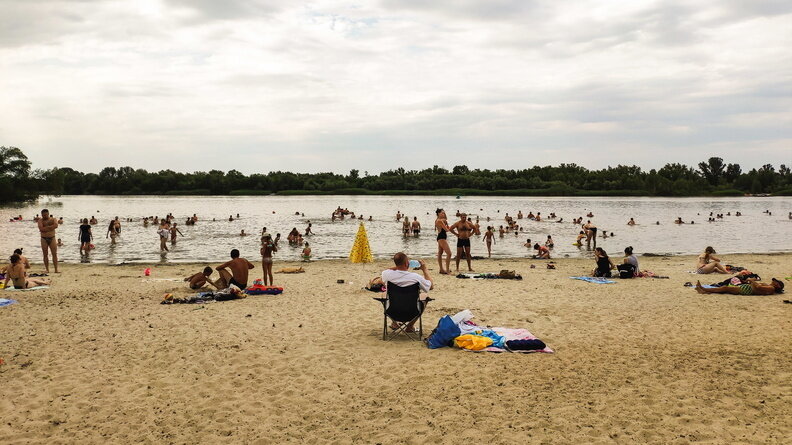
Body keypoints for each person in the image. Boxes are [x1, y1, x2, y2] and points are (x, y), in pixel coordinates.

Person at [381, 252, 433, 332]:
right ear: (406, 263)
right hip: (412, 311)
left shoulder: (386, 274)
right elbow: (431, 286)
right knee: (425, 296)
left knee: (384, 294)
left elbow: (388, 270)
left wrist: (398, 266)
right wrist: (424, 269)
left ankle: (394, 323)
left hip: (392, 311)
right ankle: (410, 326)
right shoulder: (415, 277)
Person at [695, 278, 784, 296]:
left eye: (775, 281)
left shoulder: (771, 288)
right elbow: (758, 286)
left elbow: (758, 287)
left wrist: (752, 280)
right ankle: (704, 290)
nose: (773, 281)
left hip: (747, 290)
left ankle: (704, 289)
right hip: (748, 288)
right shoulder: (770, 287)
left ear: (777, 285)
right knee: (726, 289)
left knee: (725, 288)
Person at [37, 209, 59, 273]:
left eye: (46, 215)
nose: (45, 216)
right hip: (43, 238)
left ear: (48, 214)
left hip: (52, 237)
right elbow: (41, 229)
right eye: (43, 215)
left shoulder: (53, 219)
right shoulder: (40, 220)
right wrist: (50, 228)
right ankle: (47, 269)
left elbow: (56, 225)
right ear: (42, 215)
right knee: (45, 254)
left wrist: (46, 228)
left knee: (54, 254)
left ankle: (56, 269)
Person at [434, 209, 453, 275]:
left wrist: (444, 214)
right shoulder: (439, 221)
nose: (443, 214)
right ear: (438, 213)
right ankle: (447, 270)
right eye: (442, 213)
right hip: (441, 237)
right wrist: (452, 227)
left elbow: (445, 218)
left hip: (441, 237)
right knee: (449, 253)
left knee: (440, 253)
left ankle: (441, 269)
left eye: (444, 213)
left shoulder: (438, 220)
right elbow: (447, 230)